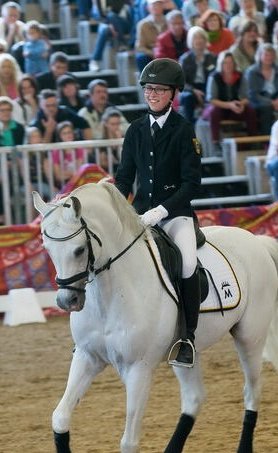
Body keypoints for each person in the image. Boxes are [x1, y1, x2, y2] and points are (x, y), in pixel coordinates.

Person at [112, 58, 203, 368]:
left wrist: (162, 210)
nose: (151, 94)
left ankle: (188, 336)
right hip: (139, 214)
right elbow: (125, 177)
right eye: (148, 89)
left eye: (158, 90)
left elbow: (192, 184)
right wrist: (113, 201)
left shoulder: (183, 130)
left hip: (175, 214)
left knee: (188, 263)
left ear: (172, 93)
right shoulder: (135, 130)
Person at [203, 51, 259, 144]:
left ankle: (253, 141)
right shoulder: (214, 77)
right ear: (221, 64)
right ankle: (216, 142)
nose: (228, 65)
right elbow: (212, 99)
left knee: (250, 111)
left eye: (231, 62)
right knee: (214, 112)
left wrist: (241, 104)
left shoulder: (240, 76)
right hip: (220, 107)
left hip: (235, 107)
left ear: (234, 64)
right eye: (225, 62)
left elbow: (246, 97)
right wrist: (229, 105)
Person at [178, 25, 216, 124]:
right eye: (196, 38)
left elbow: (216, 77)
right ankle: (189, 130)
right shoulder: (185, 59)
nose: (199, 41)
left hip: (208, 87)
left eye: (201, 37)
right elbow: (181, 81)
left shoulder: (212, 57)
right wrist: (193, 90)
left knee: (213, 97)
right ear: (191, 41)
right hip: (190, 88)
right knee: (188, 98)